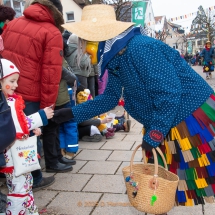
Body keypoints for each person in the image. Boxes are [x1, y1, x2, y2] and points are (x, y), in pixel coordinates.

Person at [56, 4, 215, 213]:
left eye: (85, 42)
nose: (84, 49)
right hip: (165, 116)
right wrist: (71, 114)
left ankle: (160, 206)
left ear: (97, 39)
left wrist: (155, 134)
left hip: (188, 113)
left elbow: (168, 93)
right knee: (161, 174)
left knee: (191, 174)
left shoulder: (140, 48)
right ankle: (159, 207)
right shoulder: (116, 57)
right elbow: (110, 98)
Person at [1, 0, 64, 190]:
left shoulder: (12, 24)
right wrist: (47, 108)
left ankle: (10, 173)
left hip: (7, 88)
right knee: (29, 135)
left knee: (9, 133)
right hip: (31, 94)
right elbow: (51, 74)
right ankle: (34, 178)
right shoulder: (52, 32)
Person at [0, 58, 54, 215]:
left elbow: (20, 123)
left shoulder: (9, 101)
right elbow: (17, 125)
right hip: (14, 157)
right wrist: (41, 116)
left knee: (25, 185)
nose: (16, 85)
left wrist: (32, 130)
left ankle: (30, 211)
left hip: (18, 154)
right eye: (12, 81)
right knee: (19, 188)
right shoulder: (6, 104)